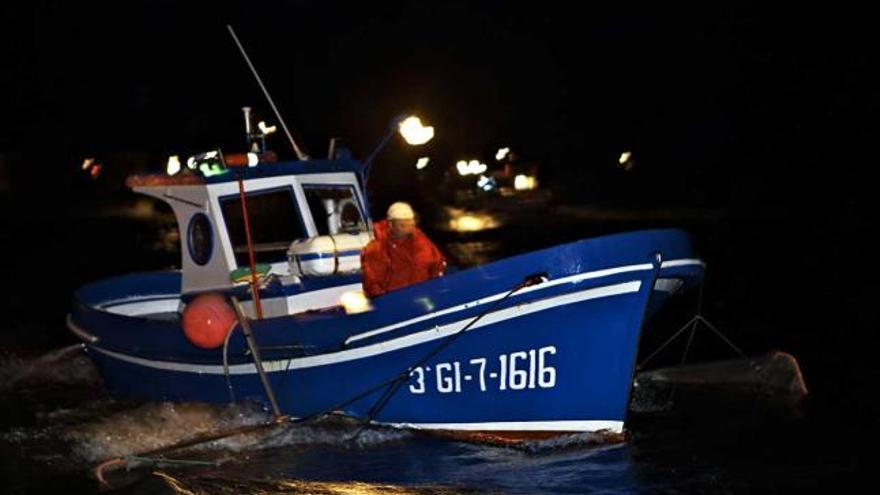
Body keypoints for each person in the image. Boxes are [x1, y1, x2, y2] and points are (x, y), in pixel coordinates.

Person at [361, 202, 446, 297]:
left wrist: (435, 290)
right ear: (391, 224)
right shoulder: (377, 248)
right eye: (402, 225)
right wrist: (385, 302)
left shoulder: (422, 241)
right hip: (395, 301)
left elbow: (437, 264)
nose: (407, 229)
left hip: (422, 296)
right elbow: (372, 282)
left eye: (410, 224)